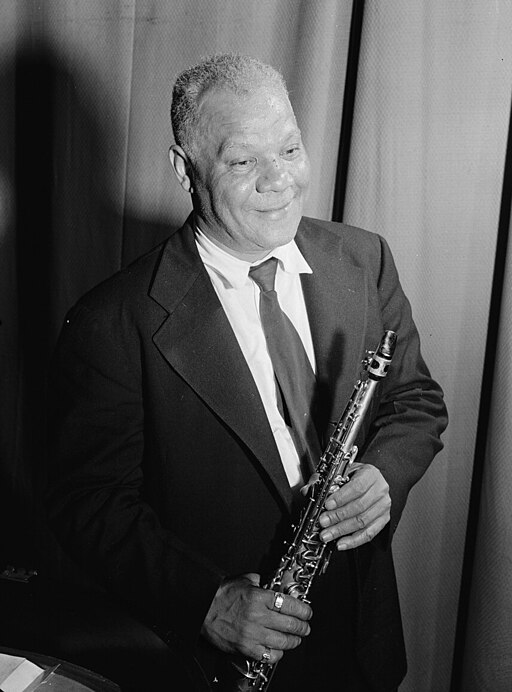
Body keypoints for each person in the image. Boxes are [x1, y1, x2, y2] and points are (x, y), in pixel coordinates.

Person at [47, 54, 447, 691]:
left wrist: (384, 473)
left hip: (361, 639)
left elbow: (415, 398)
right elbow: (89, 507)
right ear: (185, 169)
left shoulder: (363, 257)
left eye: (289, 149)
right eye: (242, 161)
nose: (278, 181)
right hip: (215, 660)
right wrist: (206, 601)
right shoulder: (111, 320)